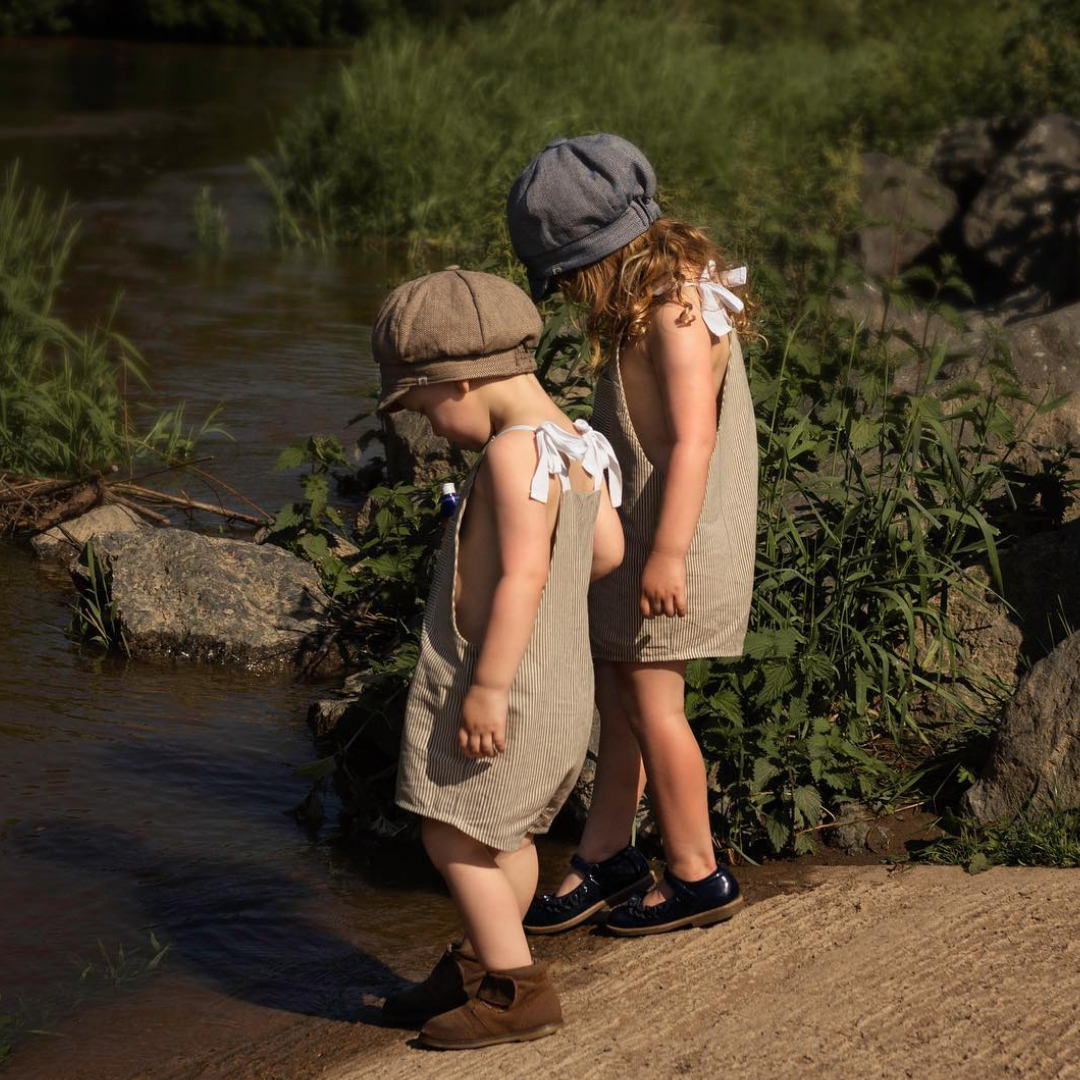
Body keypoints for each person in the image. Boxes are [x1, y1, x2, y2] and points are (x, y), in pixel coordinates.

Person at [506, 134, 758, 936]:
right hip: (644, 527)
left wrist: (671, 554)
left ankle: (697, 871)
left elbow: (693, 440)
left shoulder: (680, 316)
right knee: (620, 700)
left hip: (673, 537)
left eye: (571, 278)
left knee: (655, 705)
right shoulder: (650, 303)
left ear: (599, 256)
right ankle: (609, 855)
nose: (574, 296)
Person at [373, 268, 624, 1047]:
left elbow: (523, 574)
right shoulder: (579, 443)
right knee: (501, 836)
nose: (429, 427)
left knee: (449, 832)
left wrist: (486, 685)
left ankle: (516, 993)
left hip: (504, 686)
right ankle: (484, 962)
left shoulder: (515, 456)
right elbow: (607, 553)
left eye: (423, 407)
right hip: (560, 686)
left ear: (465, 379)